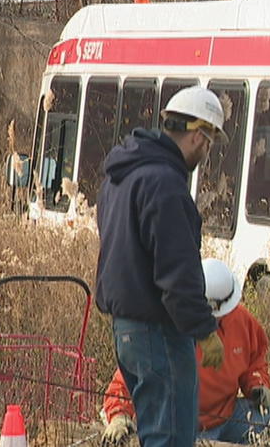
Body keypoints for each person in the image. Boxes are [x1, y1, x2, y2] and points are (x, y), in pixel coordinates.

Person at [95, 86, 231, 447]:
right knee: (169, 439)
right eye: (210, 143)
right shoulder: (166, 184)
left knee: (157, 434)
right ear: (199, 136)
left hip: (126, 330)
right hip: (159, 333)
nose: (208, 152)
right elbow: (177, 272)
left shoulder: (119, 176)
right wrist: (204, 329)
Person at [101, 259, 270, 446]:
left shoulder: (243, 322)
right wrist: (119, 414)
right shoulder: (167, 324)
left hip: (228, 417)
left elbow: (255, 361)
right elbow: (130, 373)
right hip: (182, 427)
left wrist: (258, 385)